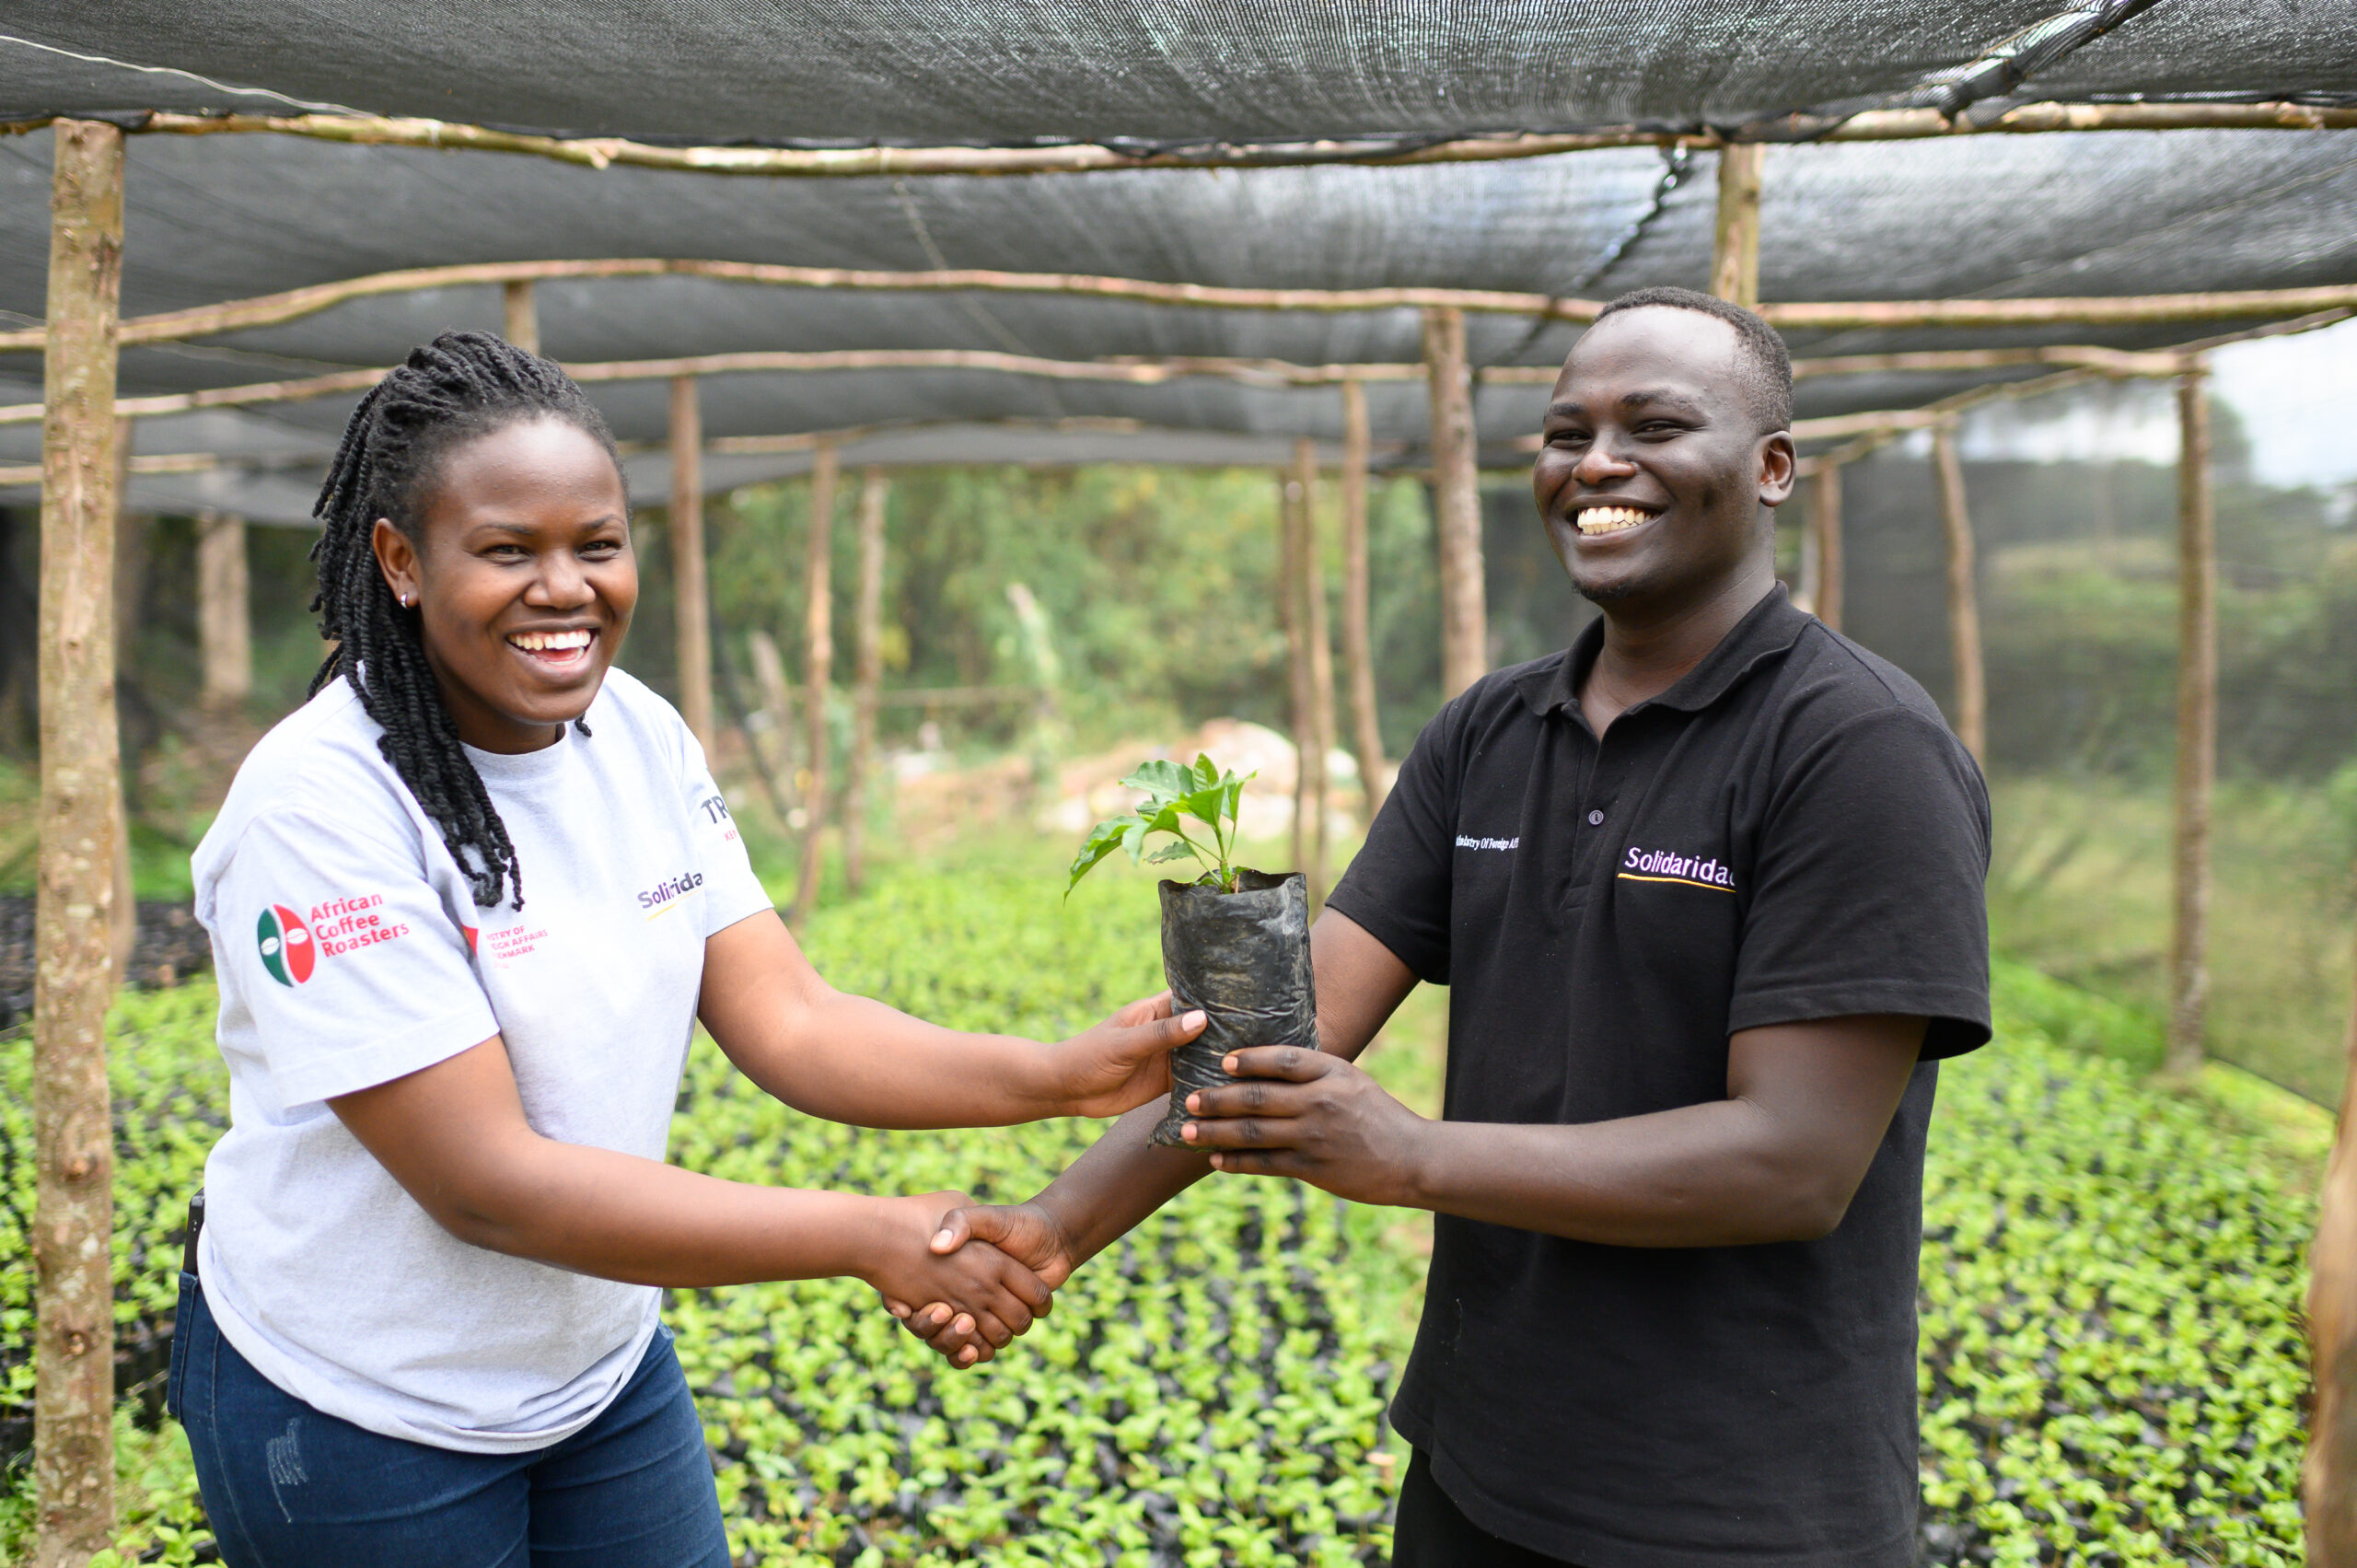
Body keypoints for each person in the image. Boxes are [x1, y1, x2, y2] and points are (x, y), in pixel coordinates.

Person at [908, 287, 1992, 1567]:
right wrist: (1056, 1228)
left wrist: (1414, 1155)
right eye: (1564, 432)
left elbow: (1795, 1162)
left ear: (1769, 470)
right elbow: (1282, 1035)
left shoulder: (1856, 749)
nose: (1596, 463)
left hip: (1741, 1506)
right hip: (1481, 1468)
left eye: (1654, 425)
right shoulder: (1491, 735)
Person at [168, 331, 1204, 1568]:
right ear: (400, 559)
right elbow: (486, 1185)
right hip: (358, 1405)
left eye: (595, 545)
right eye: (508, 550)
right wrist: (867, 1235)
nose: (565, 589)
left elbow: (792, 1022)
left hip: (595, 1375)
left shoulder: (637, 735)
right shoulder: (321, 809)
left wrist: (1058, 1076)